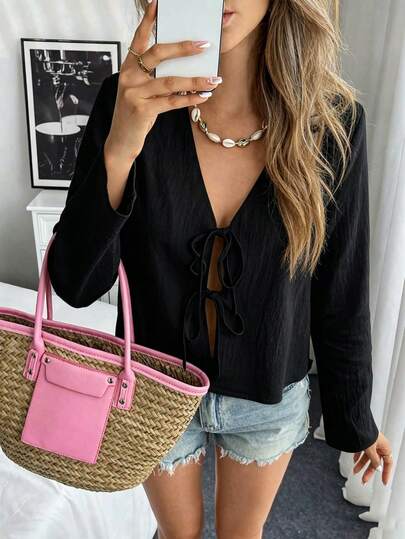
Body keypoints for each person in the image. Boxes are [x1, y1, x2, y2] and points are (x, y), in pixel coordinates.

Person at [47, 0, 393, 537]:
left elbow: (340, 289)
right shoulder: (128, 102)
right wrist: (120, 148)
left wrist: (355, 418)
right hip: (154, 386)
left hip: (269, 390)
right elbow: (76, 283)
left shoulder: (331, 122)